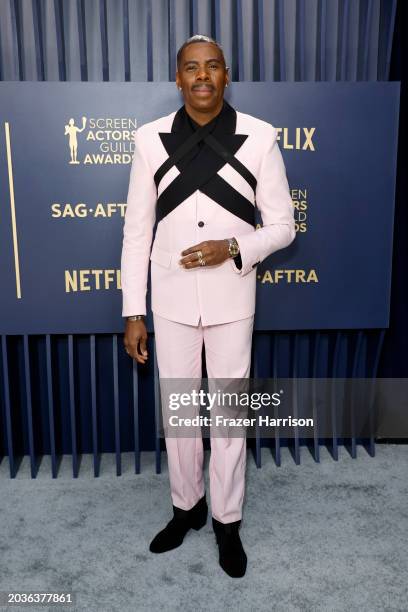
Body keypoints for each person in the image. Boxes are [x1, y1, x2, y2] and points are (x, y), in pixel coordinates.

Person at [120, 34, 296, 578]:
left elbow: (284, 227)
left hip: (232, 298)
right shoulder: (150, 141)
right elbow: (136, 231)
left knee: (227, 417)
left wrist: (233, 248)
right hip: (169, 301)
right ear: (178, 79)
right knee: (180, 417)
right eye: (191, 68)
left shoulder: (259, 138)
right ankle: (186, 508)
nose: (201, 76)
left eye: (212, 67)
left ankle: (226, 520)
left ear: (226, 75)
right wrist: (133, 311)